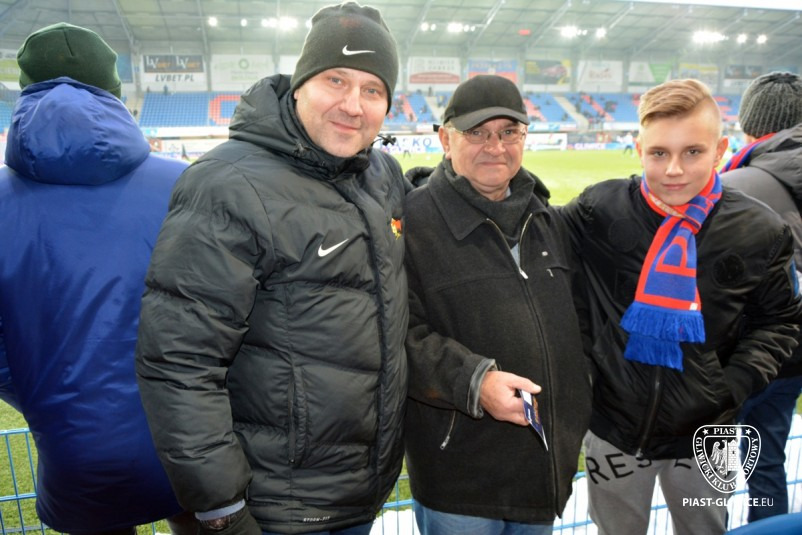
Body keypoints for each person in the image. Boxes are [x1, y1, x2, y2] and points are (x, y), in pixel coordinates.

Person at [134, 3, 408, 534]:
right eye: (336, 80)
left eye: (373, 89)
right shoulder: (226, 184)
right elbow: (180, 362)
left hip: (357, 496)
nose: (353, 105)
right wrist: (222, 511)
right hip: (272, 510)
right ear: (300, 84)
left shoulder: (381, 177)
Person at [560, 78, 802, 535]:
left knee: (705, 529)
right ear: (639, 150)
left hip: (711, 434)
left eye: (692, 152)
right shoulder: (601, 208)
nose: (674, 169)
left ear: (721, 149)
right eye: (658, 153)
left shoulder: (760, 229)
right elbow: (533, 231)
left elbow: (779, 321)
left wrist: (731, 387)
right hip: (614, 428)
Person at [0, 23, 197, 535]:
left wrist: (44, 394)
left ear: (26, 91)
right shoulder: (185, 183)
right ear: (115, 92)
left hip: (73, 448)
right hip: (188, 435)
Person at [403, 74, 592, 535]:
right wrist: (475, 381)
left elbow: (577, 322)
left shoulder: (547, 220)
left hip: (541, 474)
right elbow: (398, 335)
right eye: (477, 133)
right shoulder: (411, 222)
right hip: (460, 481)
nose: (496, 147)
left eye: (509, 132)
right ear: (445, 139)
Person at [720, 71, 802, 522]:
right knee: (767, 459)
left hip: (750, 354)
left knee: (712, 466)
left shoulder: (735, 185)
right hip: (793, 353)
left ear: (751, 124)